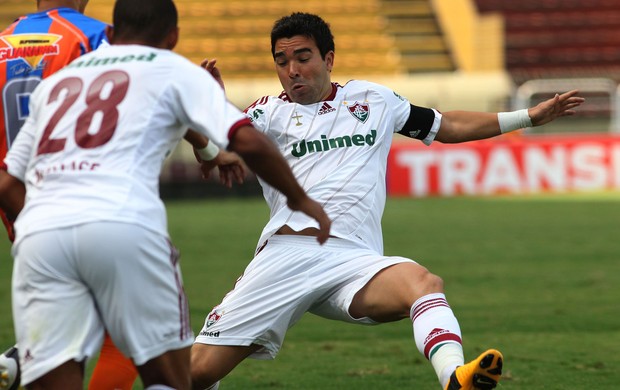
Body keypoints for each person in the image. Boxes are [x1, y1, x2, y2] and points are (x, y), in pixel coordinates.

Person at [190, 12, 584, 390]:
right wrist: (202, 121)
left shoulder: (373, 101)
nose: (292, 69)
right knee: (194, 375)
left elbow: (445, 126)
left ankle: (454, 377)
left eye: (302, 57)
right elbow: (217, 154)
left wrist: (527, 117)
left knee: (423, 283)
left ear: (328, 58)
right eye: (281, 60)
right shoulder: (266, 114)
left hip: (355, 262)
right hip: (288, 254)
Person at [0, 0, 330, 388]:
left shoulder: (56, 84)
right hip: (122, 225)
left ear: (111, 31)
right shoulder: (171, 68)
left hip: (39, 234)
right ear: (171, 37)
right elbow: (249, 143)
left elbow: (6, 184)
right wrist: (300, 200)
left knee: (55, 375)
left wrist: (45, 237)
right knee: (171, 376)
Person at [0, 1, 142, 389]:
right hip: (83, 203)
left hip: (18, 208)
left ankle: (22, 364)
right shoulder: (94, 37)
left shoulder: (3, 41)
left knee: (64, 342)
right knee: (132, 330)